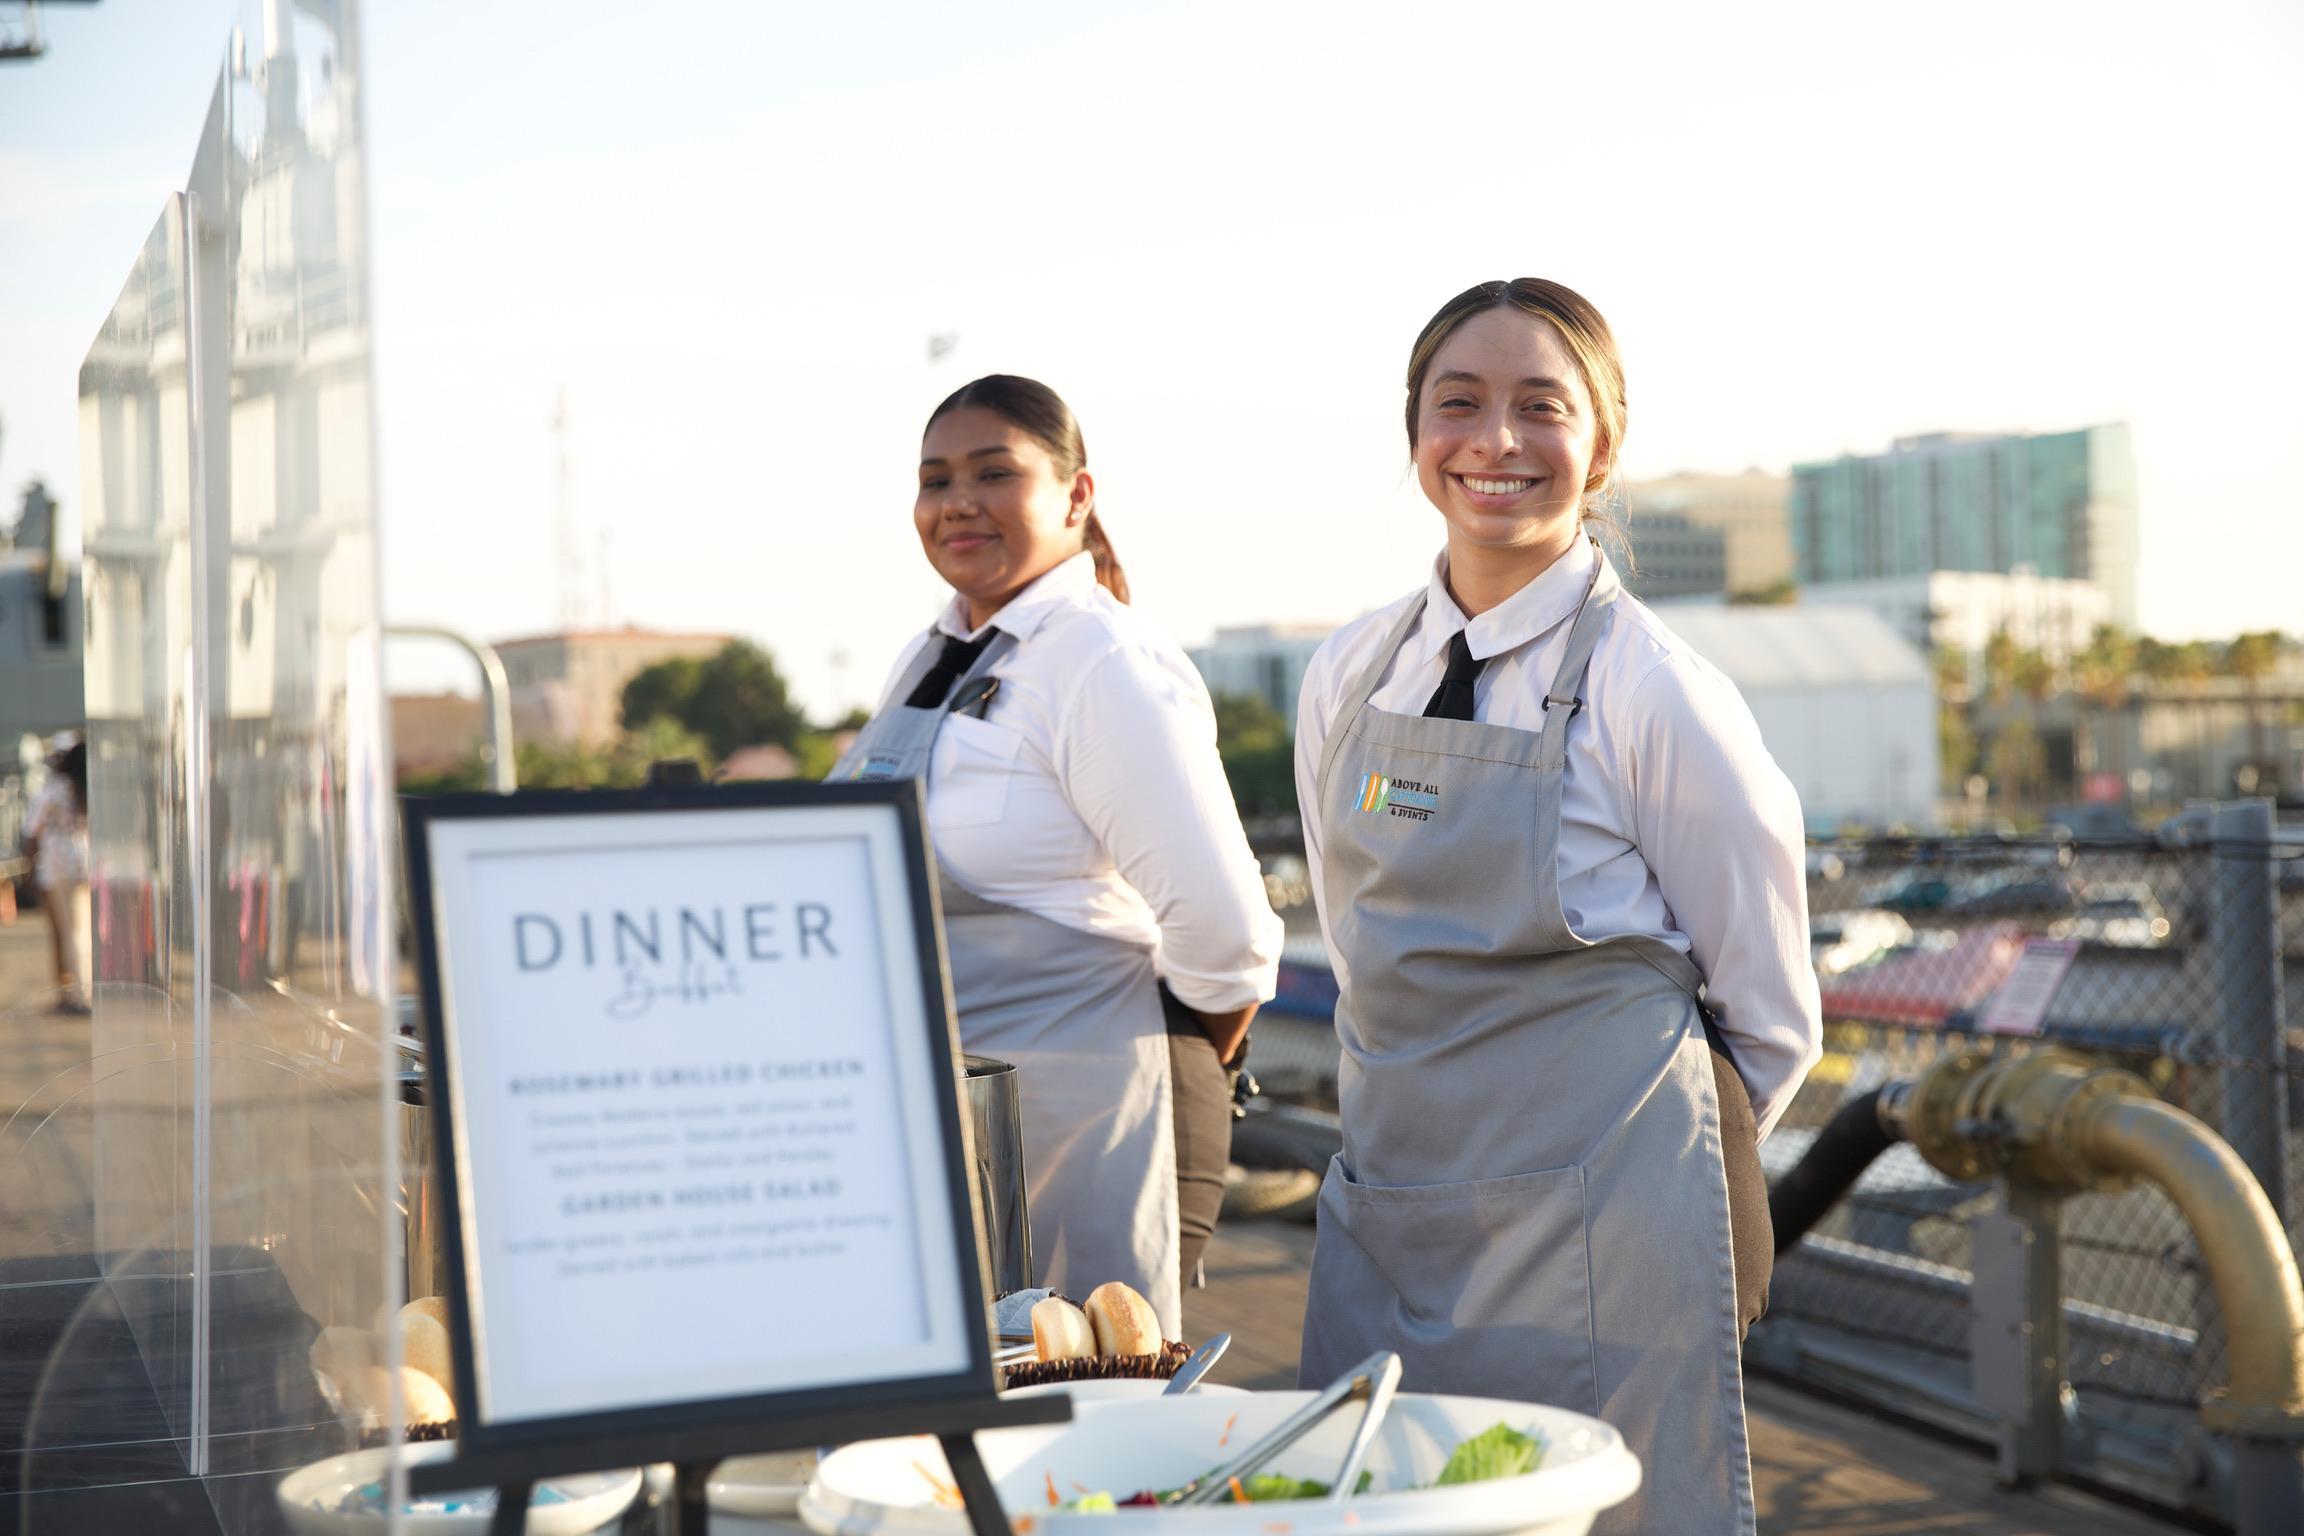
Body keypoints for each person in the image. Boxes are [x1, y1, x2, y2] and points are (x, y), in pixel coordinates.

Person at [1292, 280, 1823, 1534]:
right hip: (1394, 1215)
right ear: (1414, 431)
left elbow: (1770, 1013)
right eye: (1459, 402)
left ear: (1604, 445)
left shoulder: (1656, 690)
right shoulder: (1351, 671)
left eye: (1542, 406)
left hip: (1602, 1243)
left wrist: (1635, 1184)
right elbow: (1360, 939)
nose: (1497, 440)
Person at [833, 374, 1282, 1335]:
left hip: (1097, 1124)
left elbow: (1229, 933)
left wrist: (1167, 1061)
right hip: (962, 1133)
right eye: (935, 479)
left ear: (1077, 495)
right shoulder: (930, 659)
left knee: (1089, 1398)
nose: (958, 501)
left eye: (994, 473)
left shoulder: (1100, 659)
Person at [24, 737, 92, 1014]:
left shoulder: (53, 788)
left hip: (56, 866)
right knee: (84, 931)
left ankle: (75, 993)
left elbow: (32, 829)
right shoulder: (86, 787)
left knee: (66, 932)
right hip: (83, 862)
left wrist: (30, 868)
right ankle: (85, 989)